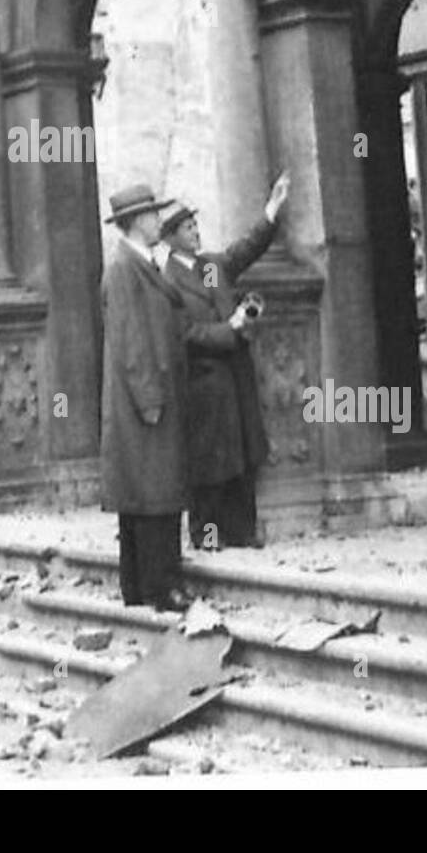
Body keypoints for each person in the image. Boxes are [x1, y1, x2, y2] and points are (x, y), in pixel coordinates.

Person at [158, 172, 291, 551]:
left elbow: (244, 250)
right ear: (170, 238)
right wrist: (230, 328)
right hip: (203, 383)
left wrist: (271, 212)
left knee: (242, 458)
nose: (195, 232)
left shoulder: (210, 266)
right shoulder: (167, 279)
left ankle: (243, 532)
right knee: (210, 465)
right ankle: (208, 535)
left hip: (234, 376)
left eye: (195, 225)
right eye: (186, 228)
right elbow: (185, 335)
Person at [99, 183, 199, 611]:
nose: (160, 221)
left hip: (148, 398)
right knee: (154, 493)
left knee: (146, 493)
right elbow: (131, 342)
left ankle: (140, 585)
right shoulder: (124, 269)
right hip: (145, 401)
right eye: (154, 215)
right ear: (138, 221)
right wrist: (149, 399)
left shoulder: (140, 264)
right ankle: (162, 587)